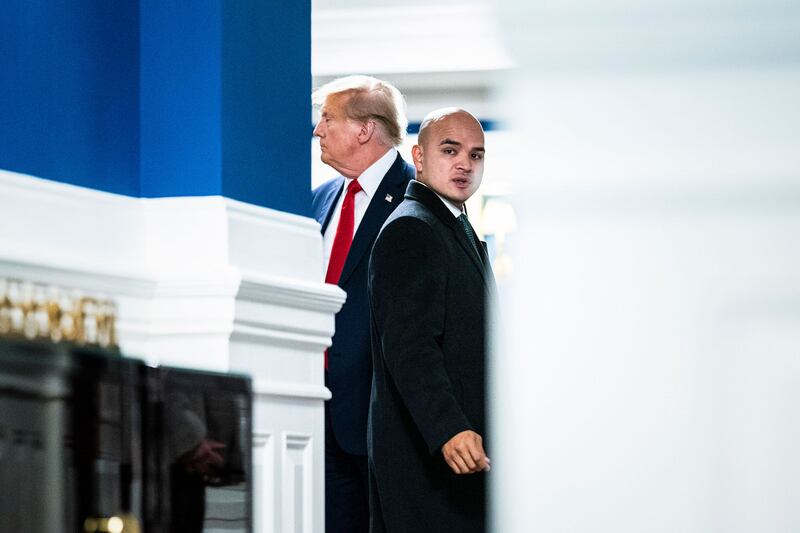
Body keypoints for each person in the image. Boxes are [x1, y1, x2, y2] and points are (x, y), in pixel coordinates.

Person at [367, 108, 494, 533]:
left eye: (476, 155)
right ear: (418, 157)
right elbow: (409, 347)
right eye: (450, 150)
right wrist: (449, 428)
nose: (465, 164)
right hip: (432, 456)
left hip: (461, 455)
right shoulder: (412, 229)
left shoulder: (455, 225)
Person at [311, 75, 415, 533]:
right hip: (317, 413)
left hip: (384, 421)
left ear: (364, 129)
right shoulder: (319, 199)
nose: (317, 130)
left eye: (327, 118)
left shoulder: (419, 198)